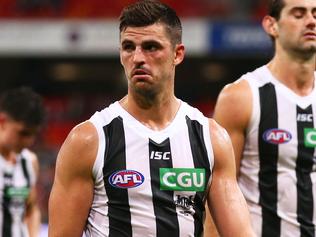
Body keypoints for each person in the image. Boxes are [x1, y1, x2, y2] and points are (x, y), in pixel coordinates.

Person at [48, 1, 255, 236]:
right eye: (128, 47)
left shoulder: (211, 138)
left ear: (177, 54)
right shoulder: (87, 140)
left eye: (151, 47)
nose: (137, 58)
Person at [212, 0, 316, 236]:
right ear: (272, 25)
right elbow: (217, 193)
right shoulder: (240, 97)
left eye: (315, 14)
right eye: (298, 14)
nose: (310, 21)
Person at [0, 86, 45, 237]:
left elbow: (31, 209)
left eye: (33, 135)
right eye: (23, 133)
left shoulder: (29, 161)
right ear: (3, 121)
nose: (29, 141)